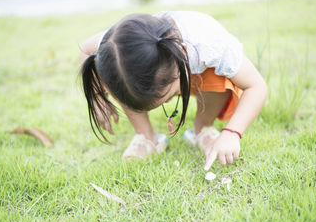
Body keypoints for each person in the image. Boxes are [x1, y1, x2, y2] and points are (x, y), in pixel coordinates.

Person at [79, 11, 268, 171]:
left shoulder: (210, 43)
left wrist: (232, 133)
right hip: (164, 71)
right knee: (121, 77)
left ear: (183, 52)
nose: (167, 103)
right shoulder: (115, 46)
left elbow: (256, 86)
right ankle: (147, 137)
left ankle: (202, 128)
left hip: (200, 73)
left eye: (167, 97)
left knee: (219, 75)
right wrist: (97, 98)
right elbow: (85, 49)